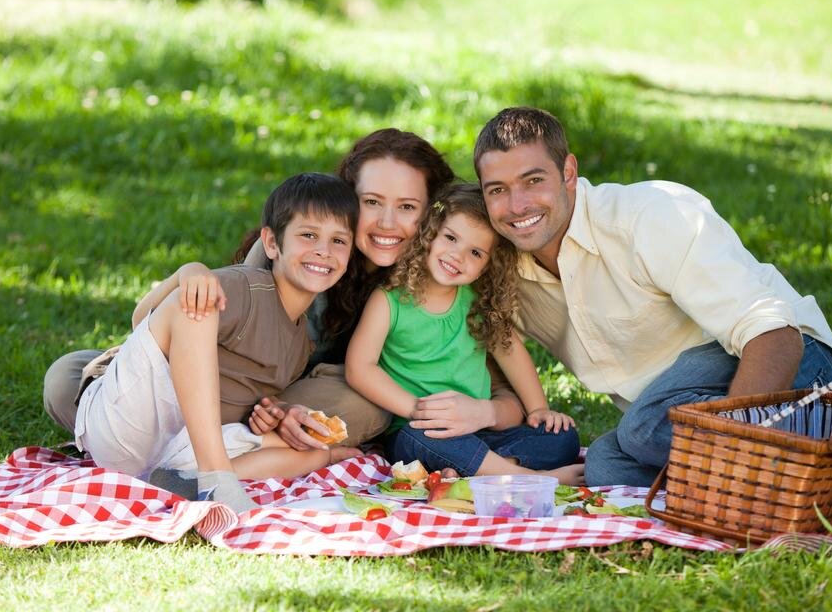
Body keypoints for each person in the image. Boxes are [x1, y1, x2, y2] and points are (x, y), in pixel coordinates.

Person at [45, 129, 530, 459]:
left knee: (365, 403)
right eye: (370, 204)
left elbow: (490, 372)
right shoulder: (300, 254)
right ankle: (193, 441)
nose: (386, 224)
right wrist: (189, 272)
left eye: (406, 207)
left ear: (431, 215)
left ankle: (213, 448)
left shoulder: (442, 276)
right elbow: (212, 334)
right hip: (220, 386)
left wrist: (487, 411)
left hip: (313, 396)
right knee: (66, 376)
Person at [472, 106, 832, 487]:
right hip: (671, 412)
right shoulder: (497, 270)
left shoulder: (651, 216)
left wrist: (734, 447)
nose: (517, 206)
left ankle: (798, 453)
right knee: (605, 466)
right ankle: (792, 471)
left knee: (641, 427)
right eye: (497, 190)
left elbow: (775, 334)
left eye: (533, 180)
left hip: (789, 368)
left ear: (568, 172)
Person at [73, 173, 360, 513]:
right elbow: (141, 321)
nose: (324, 251)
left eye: (339, 241)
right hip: (127, 421)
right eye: (308, 235)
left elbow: (237, 395)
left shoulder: (300, 345)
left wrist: (276, 414)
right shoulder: (243, 288)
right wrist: (188, 272)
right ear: (271, 243)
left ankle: (183, 483)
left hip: (172, 452)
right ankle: (216, 479)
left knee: (312, 450)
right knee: (199, 302)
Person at [345, 184, 583, 483]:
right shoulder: (390, 300)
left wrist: (539, 410)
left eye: (475, 252)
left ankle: (477, 471)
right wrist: (419, 411)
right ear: (430, 236)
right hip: (421, 431)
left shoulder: (478, 304)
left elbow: (512, 353)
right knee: (424, 440)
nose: (457, 256)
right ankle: (527, 477)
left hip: (478, 430)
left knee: (563, 437)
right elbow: (359, 368)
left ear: (486, 267)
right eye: (450, 238)